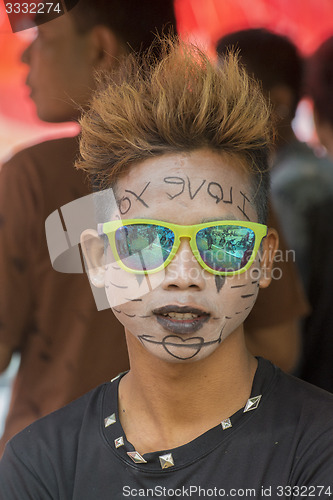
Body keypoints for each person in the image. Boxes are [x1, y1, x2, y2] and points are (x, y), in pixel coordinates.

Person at [1, 38, 333, 498]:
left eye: (220, 240)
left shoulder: (319, 450)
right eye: (145, 240)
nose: (184, 274)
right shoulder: (41, 462)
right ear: (98, 259)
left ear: (262, 260)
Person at [0, 0, 176, 456]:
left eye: (42, 37)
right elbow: (278, 343)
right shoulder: (233, 178)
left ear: (100, 49)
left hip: (47, 468)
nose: (25, 56)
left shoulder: (32, 178)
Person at [216, 29, 333, 293]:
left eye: (228, 94)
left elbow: (281, 303)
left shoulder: (285, 191)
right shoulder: (317, 172)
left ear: (279, 102)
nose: (214, 107)